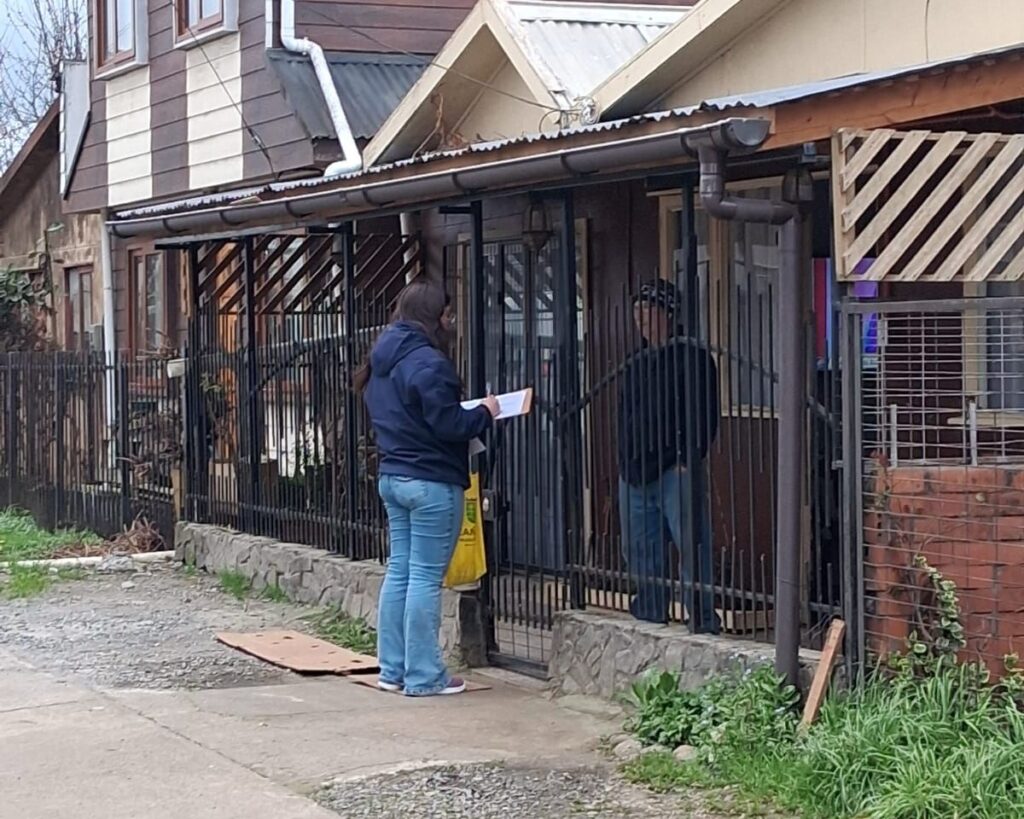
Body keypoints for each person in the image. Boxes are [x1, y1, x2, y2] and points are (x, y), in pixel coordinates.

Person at [356, 278, 499, 696]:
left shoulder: (381, 359)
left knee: (399, 571)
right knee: (423, 577)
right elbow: (449, 423)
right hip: (432, 481)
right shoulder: (429, 363)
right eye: (447, 314)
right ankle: (424, 675)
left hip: (393, 476)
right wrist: (486, 412)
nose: (450, 322)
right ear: (435, 316)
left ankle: (393, 669)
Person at [617, 278, 721, 631]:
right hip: (635, 471)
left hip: (674, 469)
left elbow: (705, 414)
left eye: (648, 309)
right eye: (636, 310)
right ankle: (650, 609)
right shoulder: (634, 360)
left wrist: (687, 459)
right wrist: (624, 460)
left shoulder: (693, 357)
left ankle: (701, 617)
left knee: (691, 545)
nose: (640, 317)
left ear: (669, 313)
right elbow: (623, 413)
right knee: (640, 549)